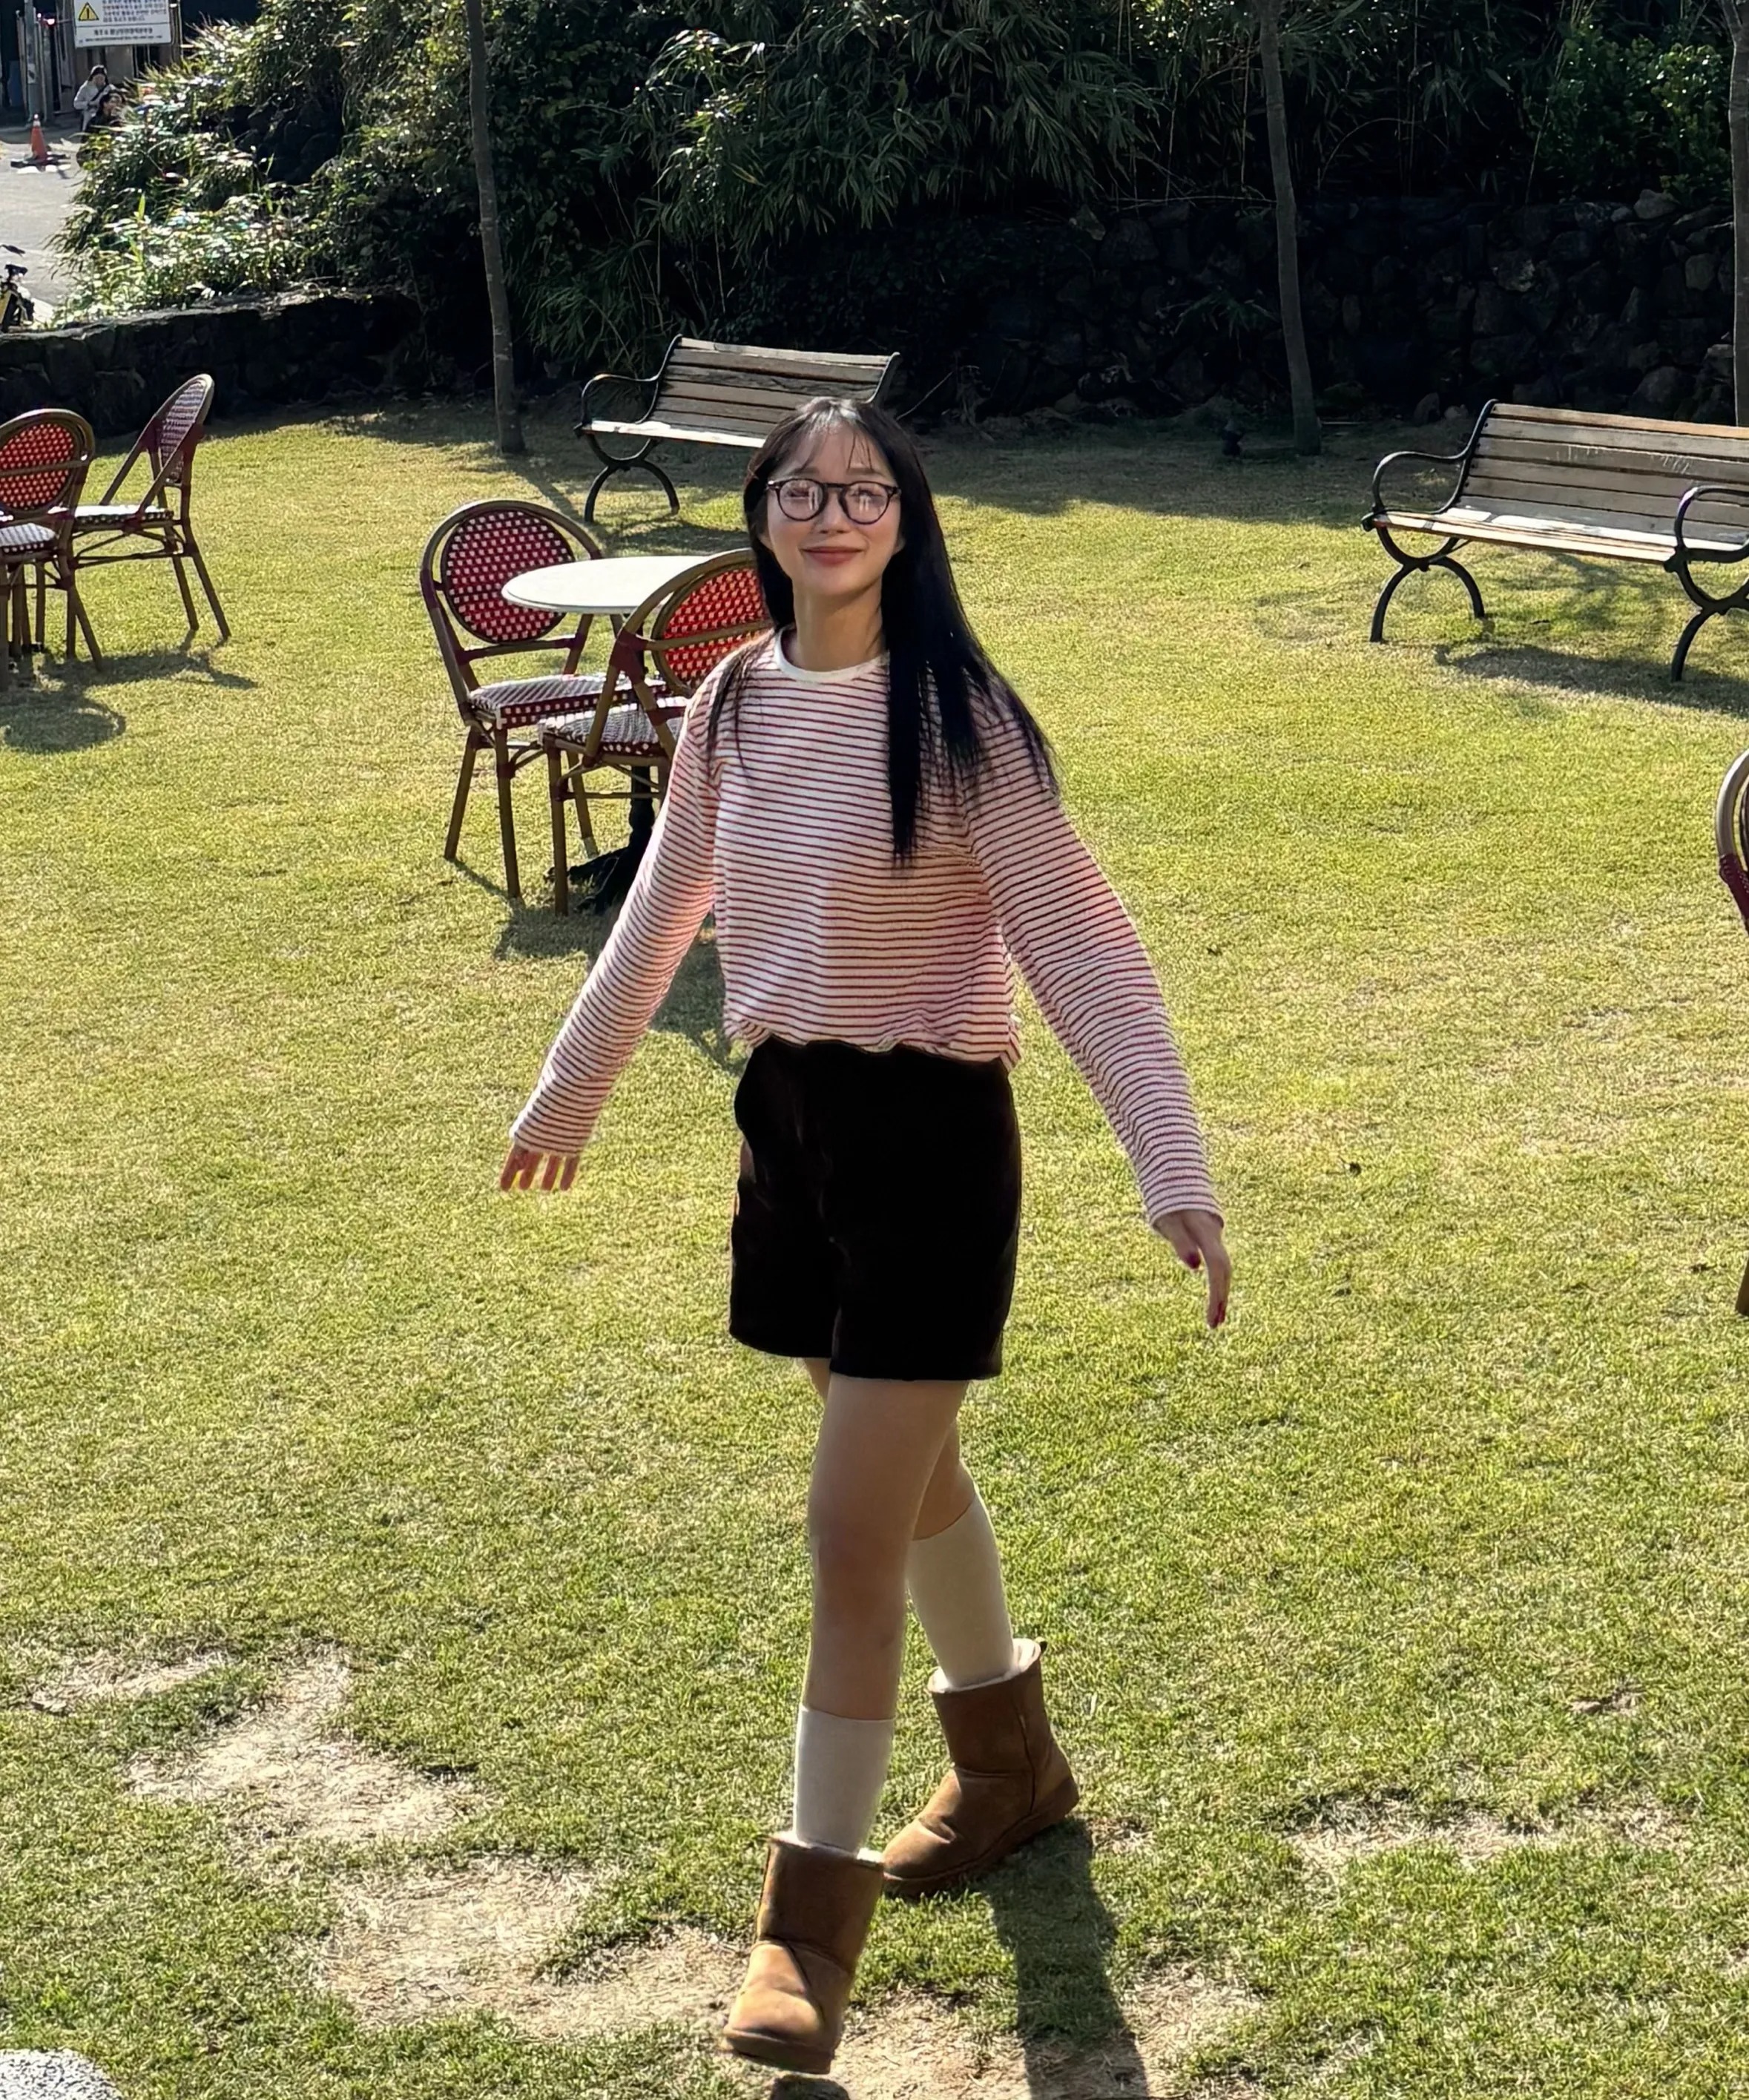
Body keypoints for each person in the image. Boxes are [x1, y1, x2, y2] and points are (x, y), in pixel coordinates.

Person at [501, 396, 1231, 2078]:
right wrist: (572, 1083)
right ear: (761, 516)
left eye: (863, 490)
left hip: (927, 1144)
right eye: (800, 489)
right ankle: (1010, 1770)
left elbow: (1080, 946)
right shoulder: (730, 702)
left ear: (905, 517)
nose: (830, 513)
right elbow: (664, 904)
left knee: (848, 1526)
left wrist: (1169, 1163)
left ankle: (803, 1933)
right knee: (911, 1481)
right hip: (790, 1127)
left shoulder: (957, 718)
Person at [73, 65, 110, 134]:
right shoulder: (85, 88)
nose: (99, 80)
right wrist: (89, 104)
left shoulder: (108, 88)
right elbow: (76, 104)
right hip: (90, 116)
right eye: (97, 78)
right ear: (93, 77)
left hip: (105, 117)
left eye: (102, 78)